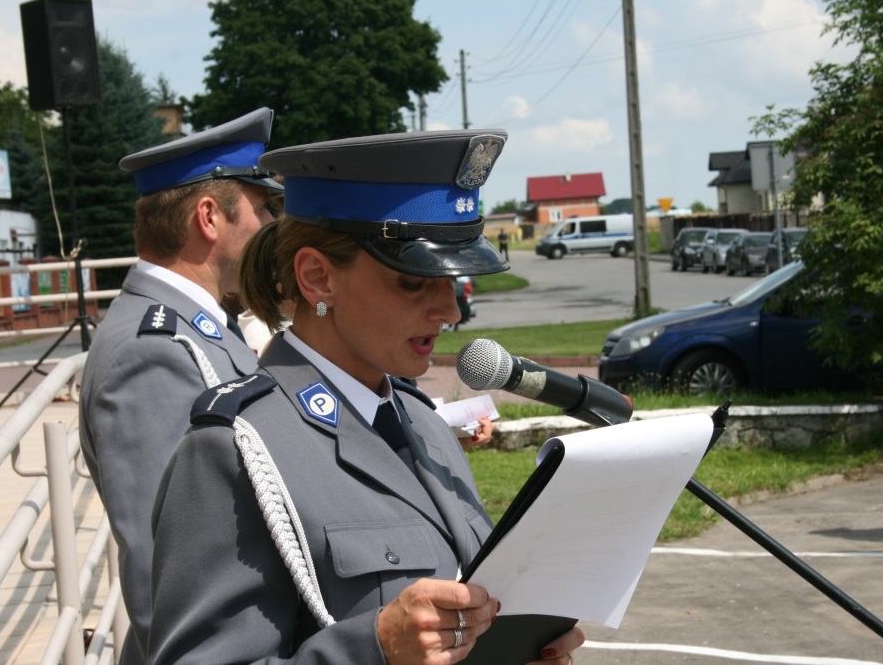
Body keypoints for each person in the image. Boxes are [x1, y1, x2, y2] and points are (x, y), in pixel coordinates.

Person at [149, 129, 585, 664]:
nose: (450, 311)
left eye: (452, 282)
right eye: (413, 282)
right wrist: (374, 649)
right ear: (317, 277)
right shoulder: (234, 450)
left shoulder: (420, 421)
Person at [78, 107, 282, 665]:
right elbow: (165, 568)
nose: (271, 226)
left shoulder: (196, 326)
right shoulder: (151, 353)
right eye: (263, 209)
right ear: (209, 217)